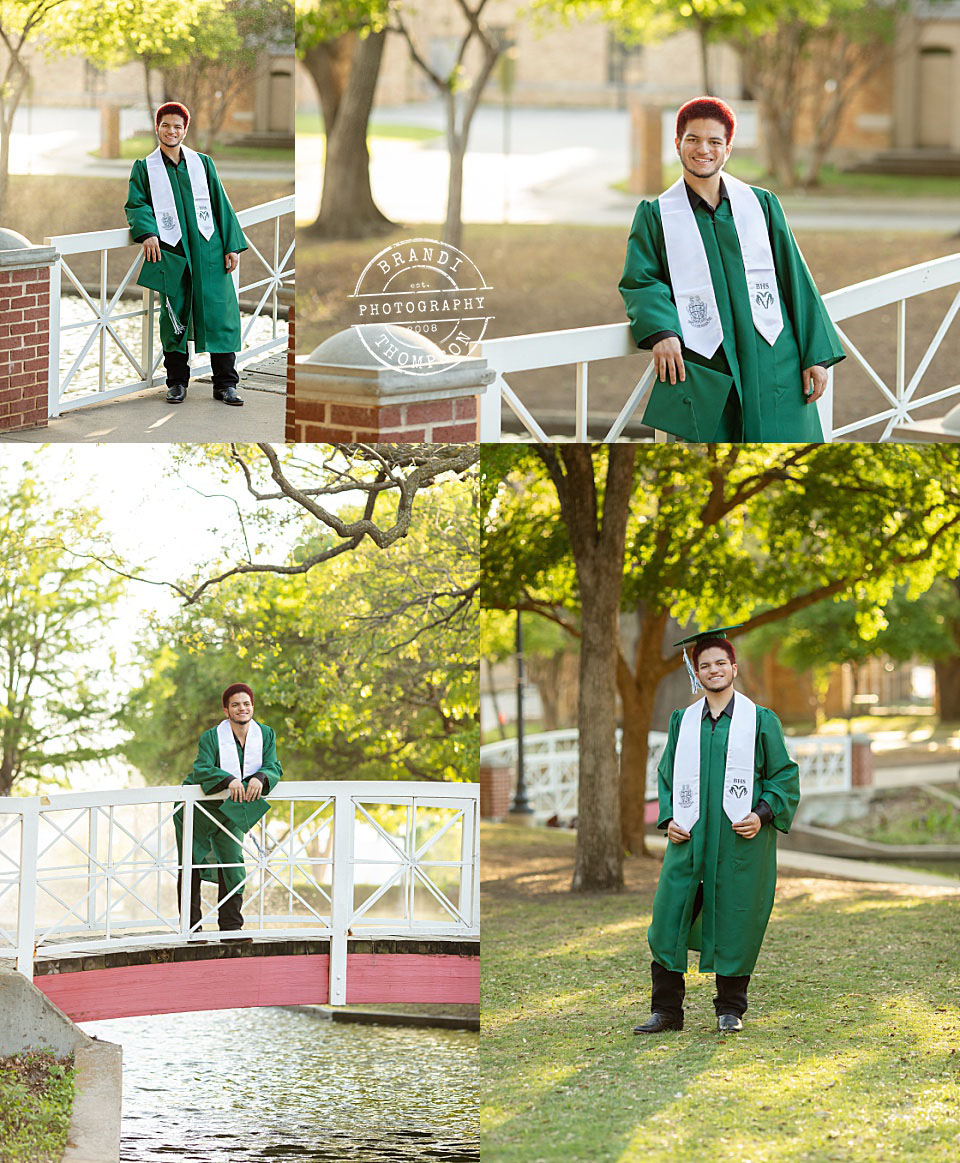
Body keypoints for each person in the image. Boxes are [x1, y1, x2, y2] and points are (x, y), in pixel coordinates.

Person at [619, 96, 845, 442]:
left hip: (773, 359)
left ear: (728, 149)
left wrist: (815, 354)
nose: (703, 150)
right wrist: (662, 331)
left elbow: (795, 278)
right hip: (707, 362)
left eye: (714, 142)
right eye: (693, 139)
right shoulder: (656, 215)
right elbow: (641, 280)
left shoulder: (761, 204)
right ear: (678, 143)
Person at [634, 625, 800, 1034]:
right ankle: (667, 1012)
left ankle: (730, 1009)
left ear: (734, 668)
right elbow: (667, 774)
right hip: (689, 839)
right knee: (668, 918)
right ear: (697, 672)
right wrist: (669, 817)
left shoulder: (759, 720)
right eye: (704, 665)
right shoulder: (683, 721)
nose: (713, 670)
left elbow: (784, 776)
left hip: (739, 842)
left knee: (736, 919)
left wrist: (761, 813)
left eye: (720, 663)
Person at [125, 101, 248, 406]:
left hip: (209, 250)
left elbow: (221, 202)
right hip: (172, 252)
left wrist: (231, 244)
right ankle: (177, 382)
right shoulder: (145, 167)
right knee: (174, 315)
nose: (171, 131)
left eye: (178, 126)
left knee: (220, 313)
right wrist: (148, 232)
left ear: (185, 130)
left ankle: (225, 384)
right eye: (166, 125)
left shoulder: (202, 163)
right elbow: (136, 204)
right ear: (157, 128)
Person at [174, 683, 283, 933]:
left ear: (252, 706)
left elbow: (273, 765)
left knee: (232, 860)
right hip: (199, 809)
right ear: (226, 710)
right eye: (235, 704)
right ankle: (190, 928)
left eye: (246, 703)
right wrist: (229, 779)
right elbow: (202, 768)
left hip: (232, 808)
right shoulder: (211, 737)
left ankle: (231, 927)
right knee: (192, 862)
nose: (242, 708)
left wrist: (261, 778)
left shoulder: (266, 735)